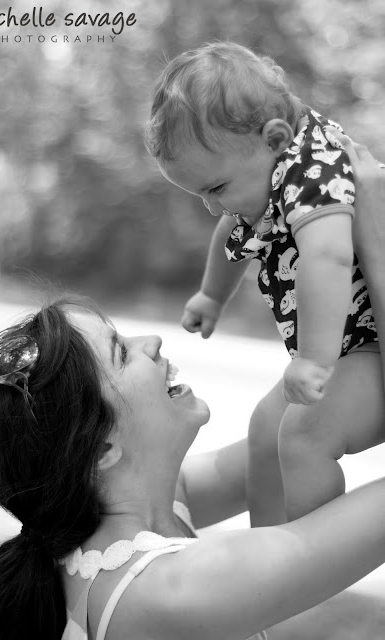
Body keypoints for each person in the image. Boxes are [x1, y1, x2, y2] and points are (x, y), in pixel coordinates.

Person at [0, 214, 385, 640]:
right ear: (103, 450)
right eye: (122, 355)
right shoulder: (174, 589)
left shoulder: (123, 523)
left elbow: (280, 436)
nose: (152, 341)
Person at [143, 40, 385, 526]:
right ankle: (269, 542)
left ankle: (311, 556)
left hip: (369, 347)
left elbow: (329, 257)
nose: (212, 205)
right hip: (347, 350)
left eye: (216, 188)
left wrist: (313, 360)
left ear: (275, 139)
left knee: (303, 435)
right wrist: (212, 295)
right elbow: (230, 226)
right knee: (265, 429)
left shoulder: (315, 171)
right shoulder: (266, 166)